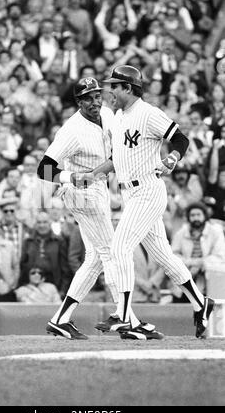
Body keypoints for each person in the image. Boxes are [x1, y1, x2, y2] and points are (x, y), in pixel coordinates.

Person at [94, 65, 215, 340]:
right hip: (130, 194)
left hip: (148, 191)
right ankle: (200, 302)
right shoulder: (119, 116)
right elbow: (117, 160)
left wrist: (172, 158)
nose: (110, 90)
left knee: (119, 247)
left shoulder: (148, 113)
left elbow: (180, 139)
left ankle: (124, 316)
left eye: (115, 86)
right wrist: (90, 175)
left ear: (128, 88)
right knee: (164, 256)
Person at [38, 77, 155, 341]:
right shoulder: (71, 129)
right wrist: (70, 177)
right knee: (111, 252)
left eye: (97, 95)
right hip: (80, 192)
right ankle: (128, 319)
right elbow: (43, 168)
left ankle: (60, 319)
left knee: (94, 259)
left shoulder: (107, 114)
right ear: (78, 102)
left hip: (98, 187)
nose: (95, 101)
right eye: (88, 98)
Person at [171, 202, 225, 301]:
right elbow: (173, 255)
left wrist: (201, 264)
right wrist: (191, 264)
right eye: (192, 215)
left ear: (205, 215)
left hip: (209, 280)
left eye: (198, 215)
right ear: (188, 217)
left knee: (206, 311)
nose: (196, 218)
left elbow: (220, 256)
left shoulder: (215, 232)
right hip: (185, 277)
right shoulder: (181, 233)